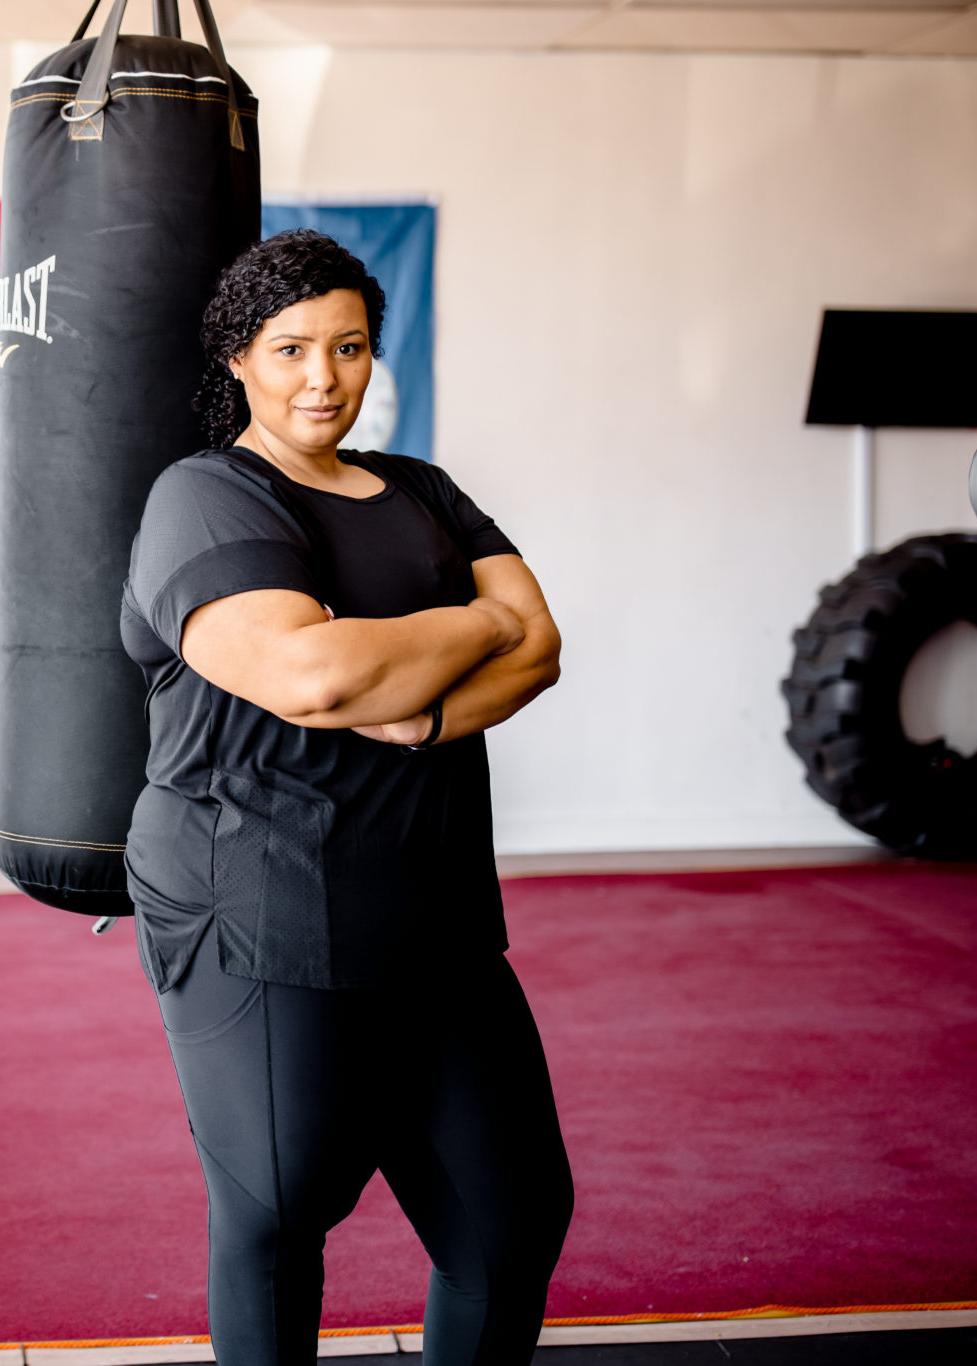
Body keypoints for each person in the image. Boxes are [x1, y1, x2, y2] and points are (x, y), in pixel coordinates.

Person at [119, 229, 574, 1366]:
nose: (321, 377)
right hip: (263, 910)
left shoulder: (420, 488)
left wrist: (416, 702)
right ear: (237, 359)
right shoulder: (205, 495)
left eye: (348, 347)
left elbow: (540, 649)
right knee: (277, 1210)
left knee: (512, 1222)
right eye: (288, 350)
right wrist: (471, 625)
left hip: (436, 918)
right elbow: (311, 677)